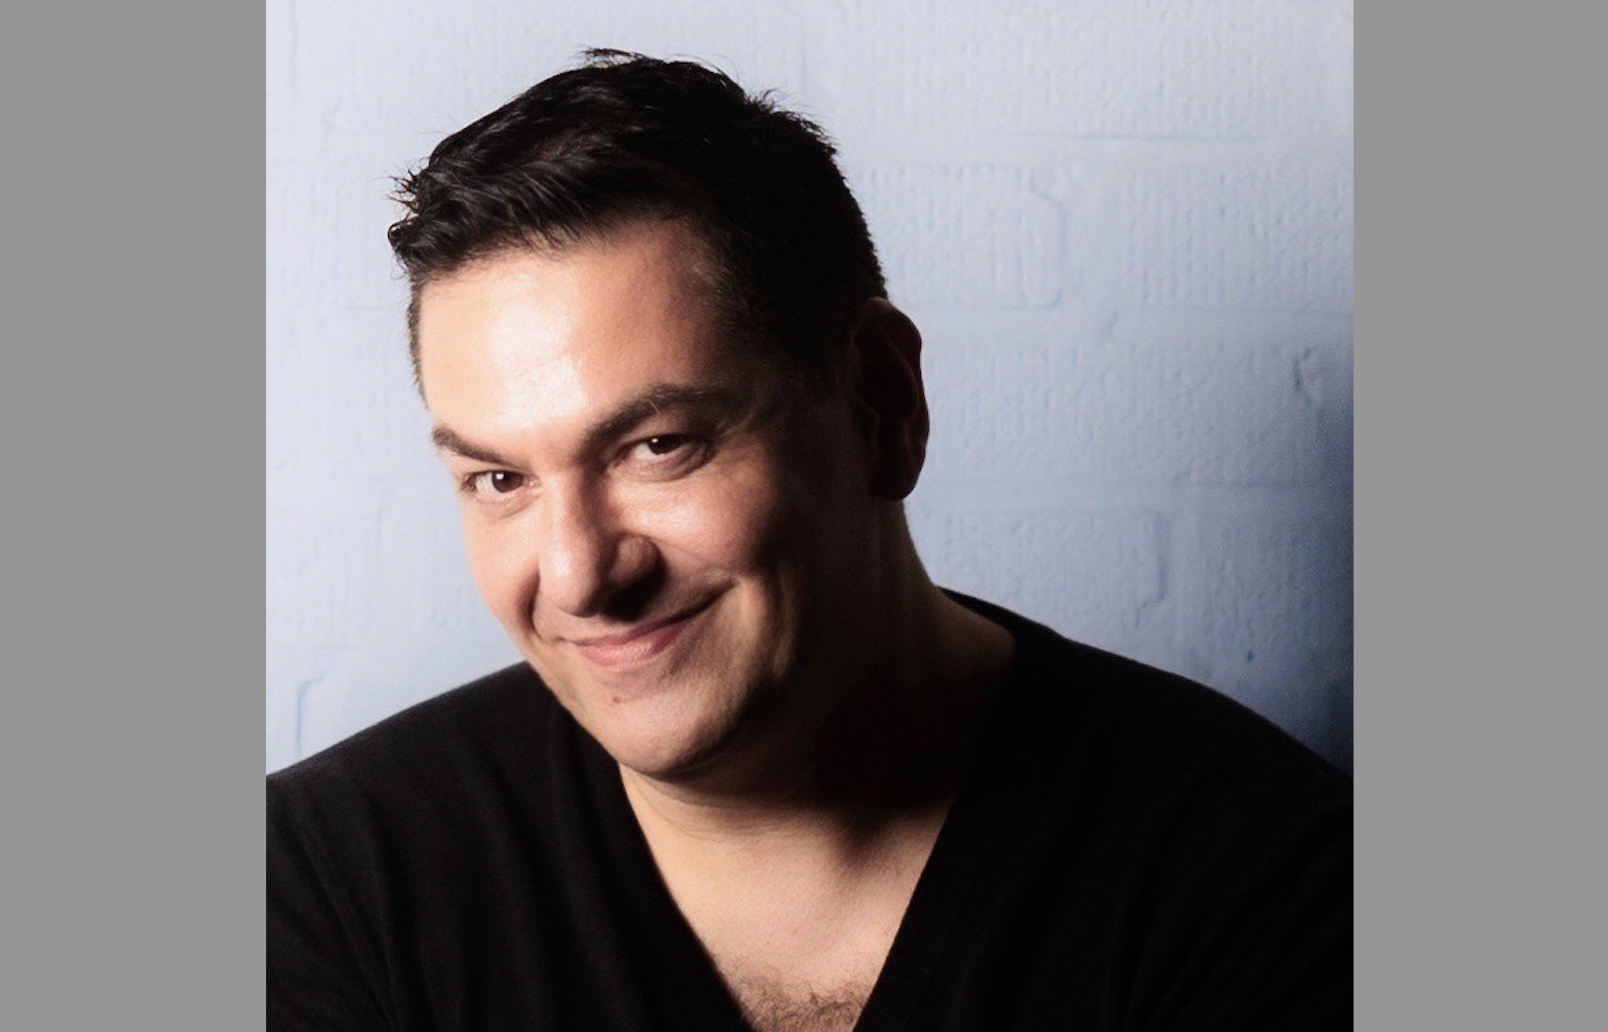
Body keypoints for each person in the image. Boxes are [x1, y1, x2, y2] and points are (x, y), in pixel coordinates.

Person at [267, 50, 1351, 1032]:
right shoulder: (330, 884)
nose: (580, 575)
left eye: (657, 446)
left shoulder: (1260, 878)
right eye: (500, 480)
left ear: (882, 403)